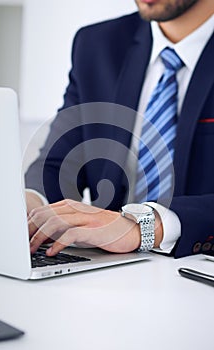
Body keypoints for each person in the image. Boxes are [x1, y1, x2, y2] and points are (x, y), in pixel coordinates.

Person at [26, 0, 214, 259]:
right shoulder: (97, 45)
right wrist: (29, 207)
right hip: (111, 268)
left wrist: (143, 227)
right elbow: (58, 163)